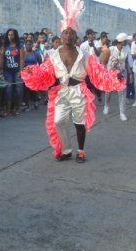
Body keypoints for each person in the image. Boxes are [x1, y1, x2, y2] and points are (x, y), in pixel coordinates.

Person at [21, 27, 125, 162]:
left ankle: (81, 151)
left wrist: (115, 76)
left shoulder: (85, 55)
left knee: (79, 123)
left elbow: (99, 72)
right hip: (61, 91)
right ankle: (66, 150)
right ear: (61, 36)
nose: (68, 35)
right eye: (65, 33)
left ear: (76, 37)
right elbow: (44, 71)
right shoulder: (53, 55)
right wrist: (32, 72)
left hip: (78, 91)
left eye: (72, 33)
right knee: (58, 121)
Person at [102, 33, 131, 121]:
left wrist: (130, 73)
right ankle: (106, 105)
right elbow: (103, 62)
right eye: (126, 40)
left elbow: (126, 62)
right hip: (111, 74)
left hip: (122, 74)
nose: (128, 42)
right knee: (108, 92)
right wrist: (106, 74)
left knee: (122, 94)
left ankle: (122, 113)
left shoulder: (126, 49)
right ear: (122, 41)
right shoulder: (110, 49)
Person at [3, 28, 25, 116]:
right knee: (9, 90)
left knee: (19, 90)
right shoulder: (5, 46)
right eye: (8, 34)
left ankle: (18, 108)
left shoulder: (19, 45)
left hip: (17, 71)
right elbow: (2, 58)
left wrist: (20, 71)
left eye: (12, 34)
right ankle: (8, 110)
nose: (10, 36)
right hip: (8, 72)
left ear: (15, 35)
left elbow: (22, 59)